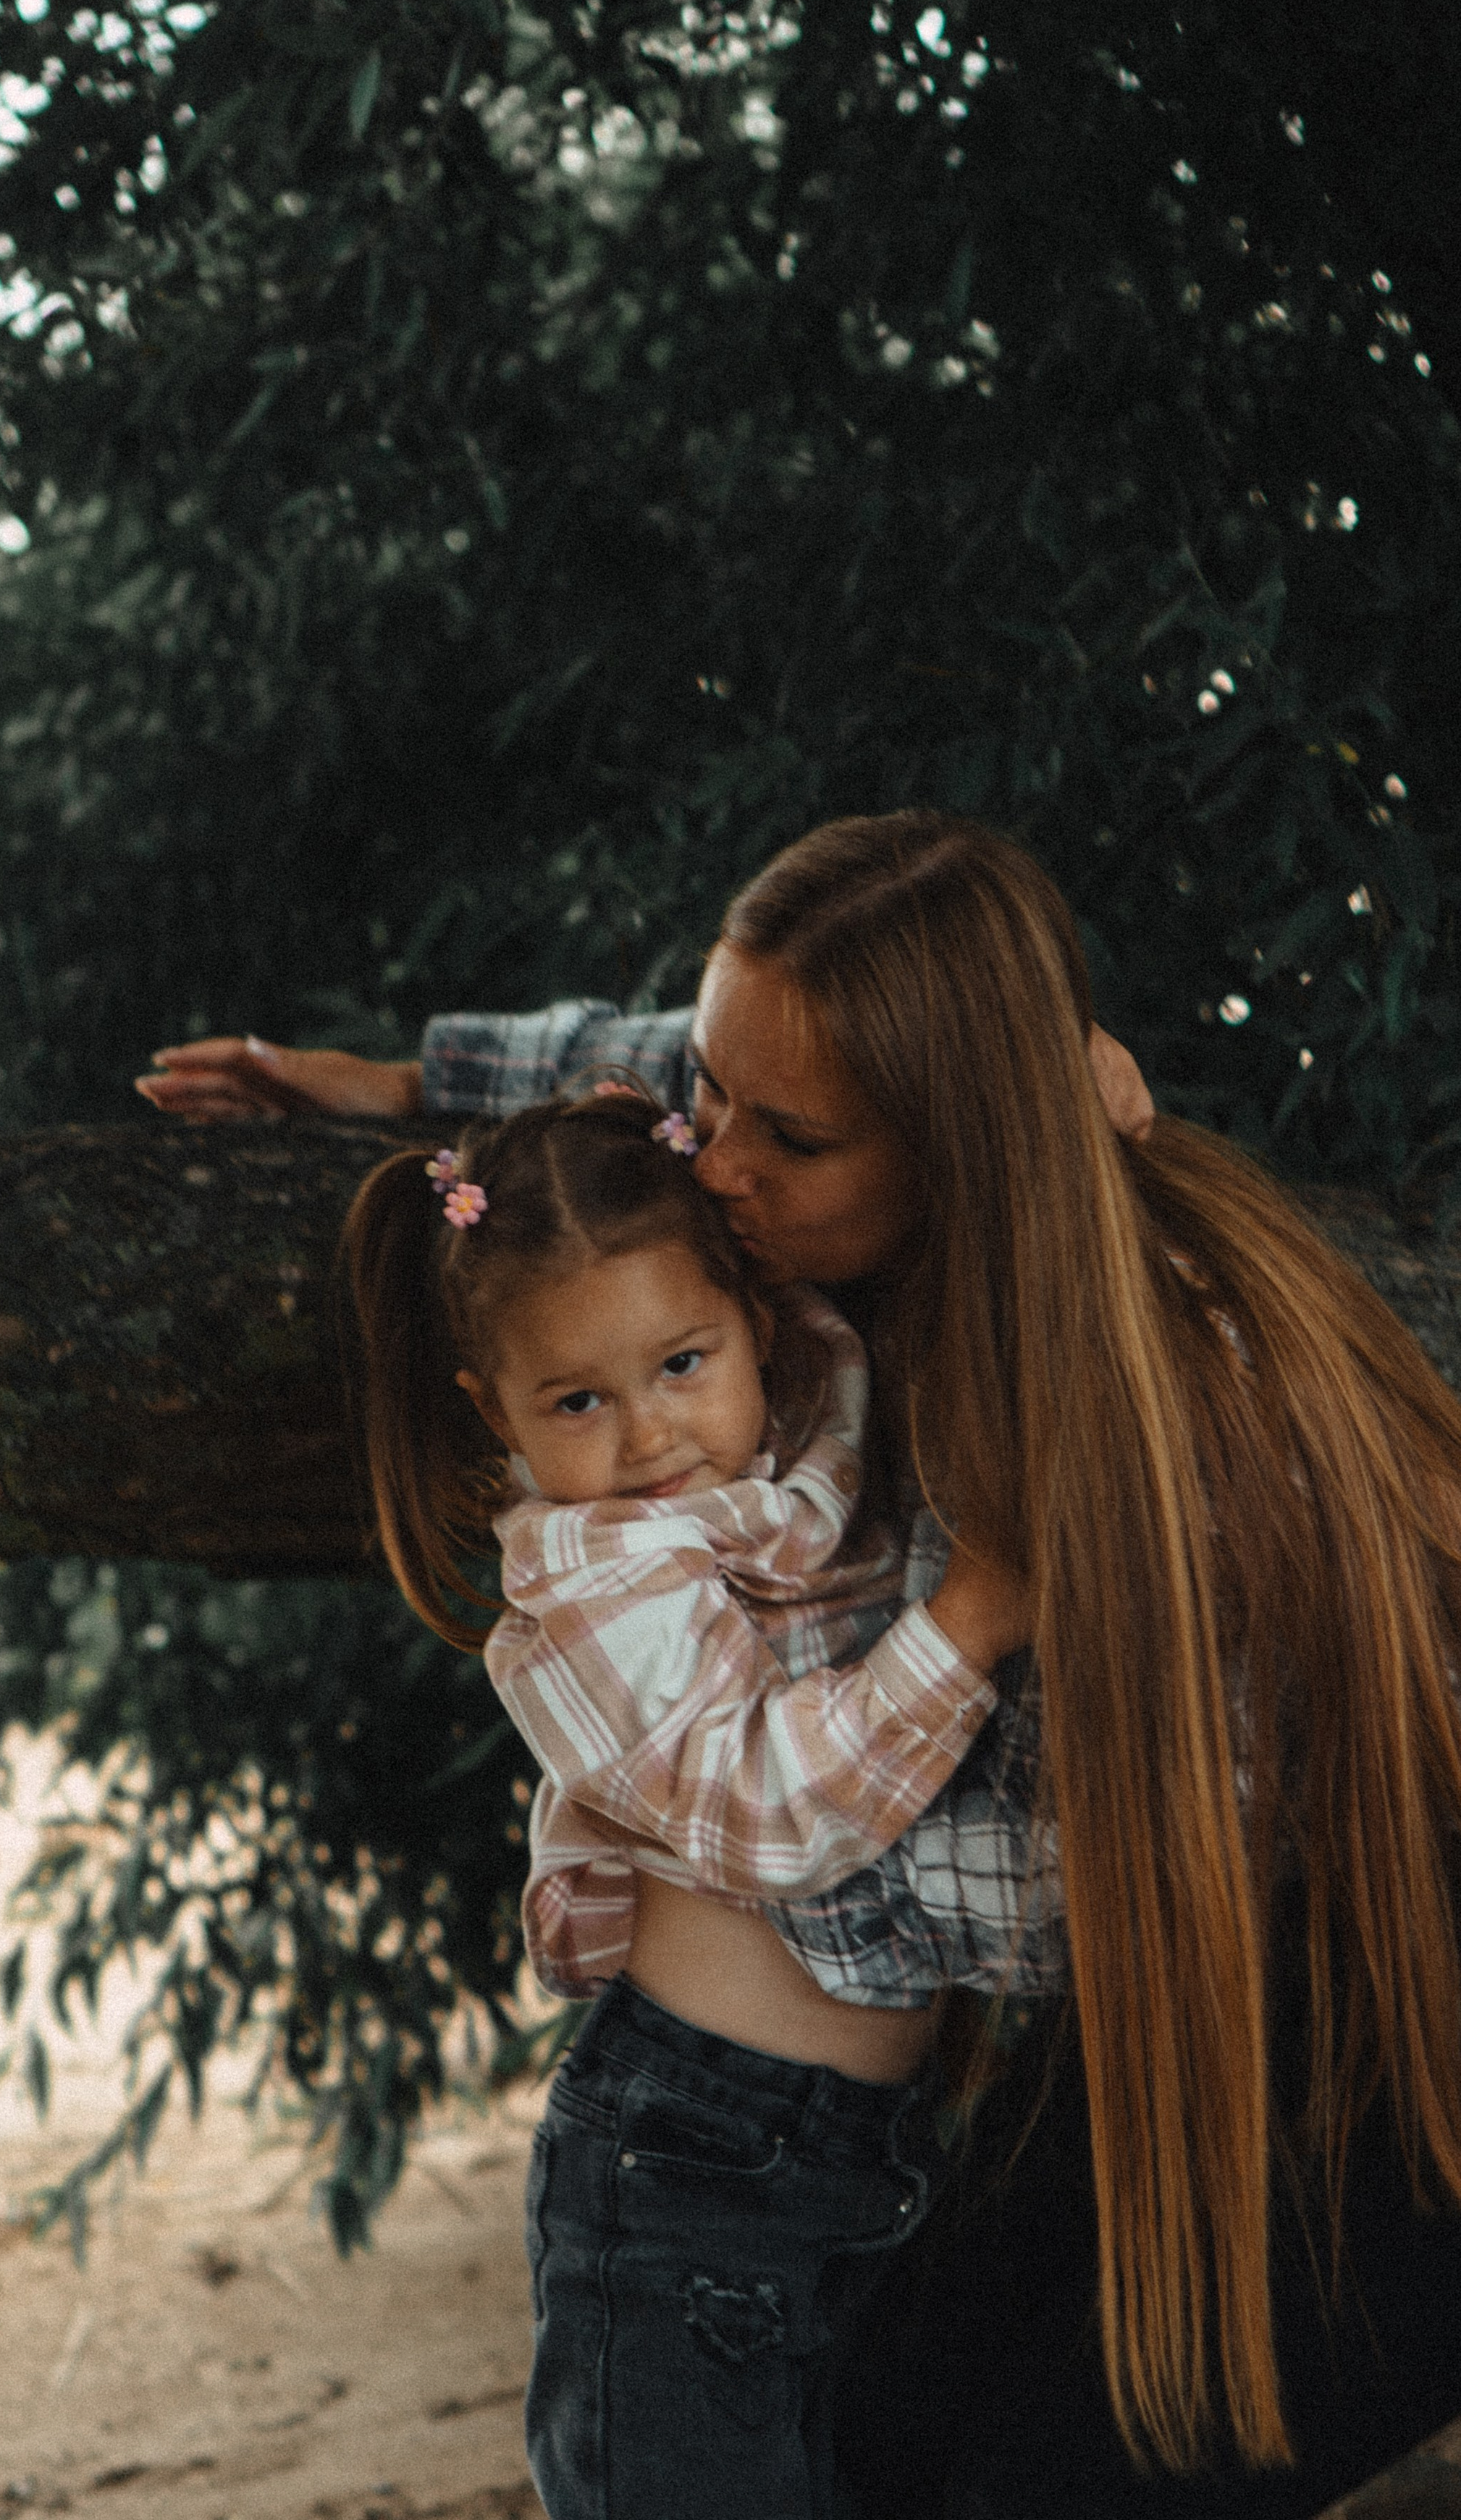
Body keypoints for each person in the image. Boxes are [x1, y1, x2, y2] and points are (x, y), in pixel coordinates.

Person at [137, 811, 1461, 2518]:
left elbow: (1097, 1873)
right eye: (715, 1103)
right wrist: (406, 1086)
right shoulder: (812, 1229)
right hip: (925, 2088)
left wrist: (741, 1861)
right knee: (872, 2451)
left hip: (1381, 2036)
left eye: (791, 1140)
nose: (716, 1167)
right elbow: (675, 1086)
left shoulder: (1146, 1425)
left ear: (966, 1140)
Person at [337, 1082, 1060, 2520]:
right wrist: (966, 1622)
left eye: (679, 1363)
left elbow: (811, 1082)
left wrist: (1070, 1084)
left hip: (866, 2146)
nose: (651, 1435)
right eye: (577, 1402)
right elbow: (765, 1815)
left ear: (756, 1310)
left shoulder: (806, 1412)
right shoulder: (594, 1581)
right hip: (687, 2168)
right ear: (498, 1413)